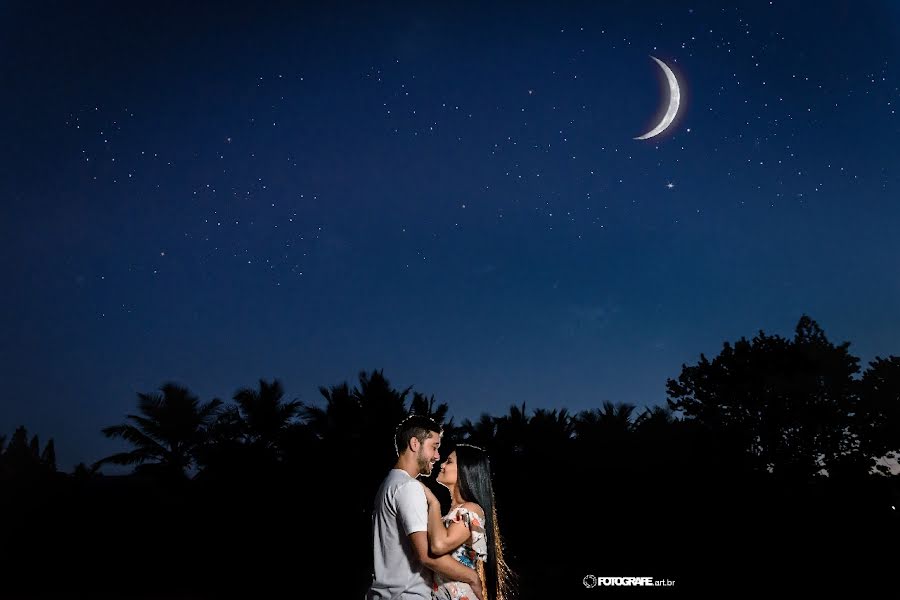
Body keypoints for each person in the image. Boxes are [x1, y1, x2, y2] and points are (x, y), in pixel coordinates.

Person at [367, 416, 484, 600]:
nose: (437, 456)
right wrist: (473, 577)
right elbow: (427, 555)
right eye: (434, 447)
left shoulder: (390, 483)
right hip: (406, 595)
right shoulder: (408, 486)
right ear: (415, 443)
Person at [422, 444, 514, 600]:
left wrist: (433, 504)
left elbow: (439, 546)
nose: (442, 464)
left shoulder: (471, 509)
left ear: (465, 470)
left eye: (449, 461)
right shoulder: (452, 514)